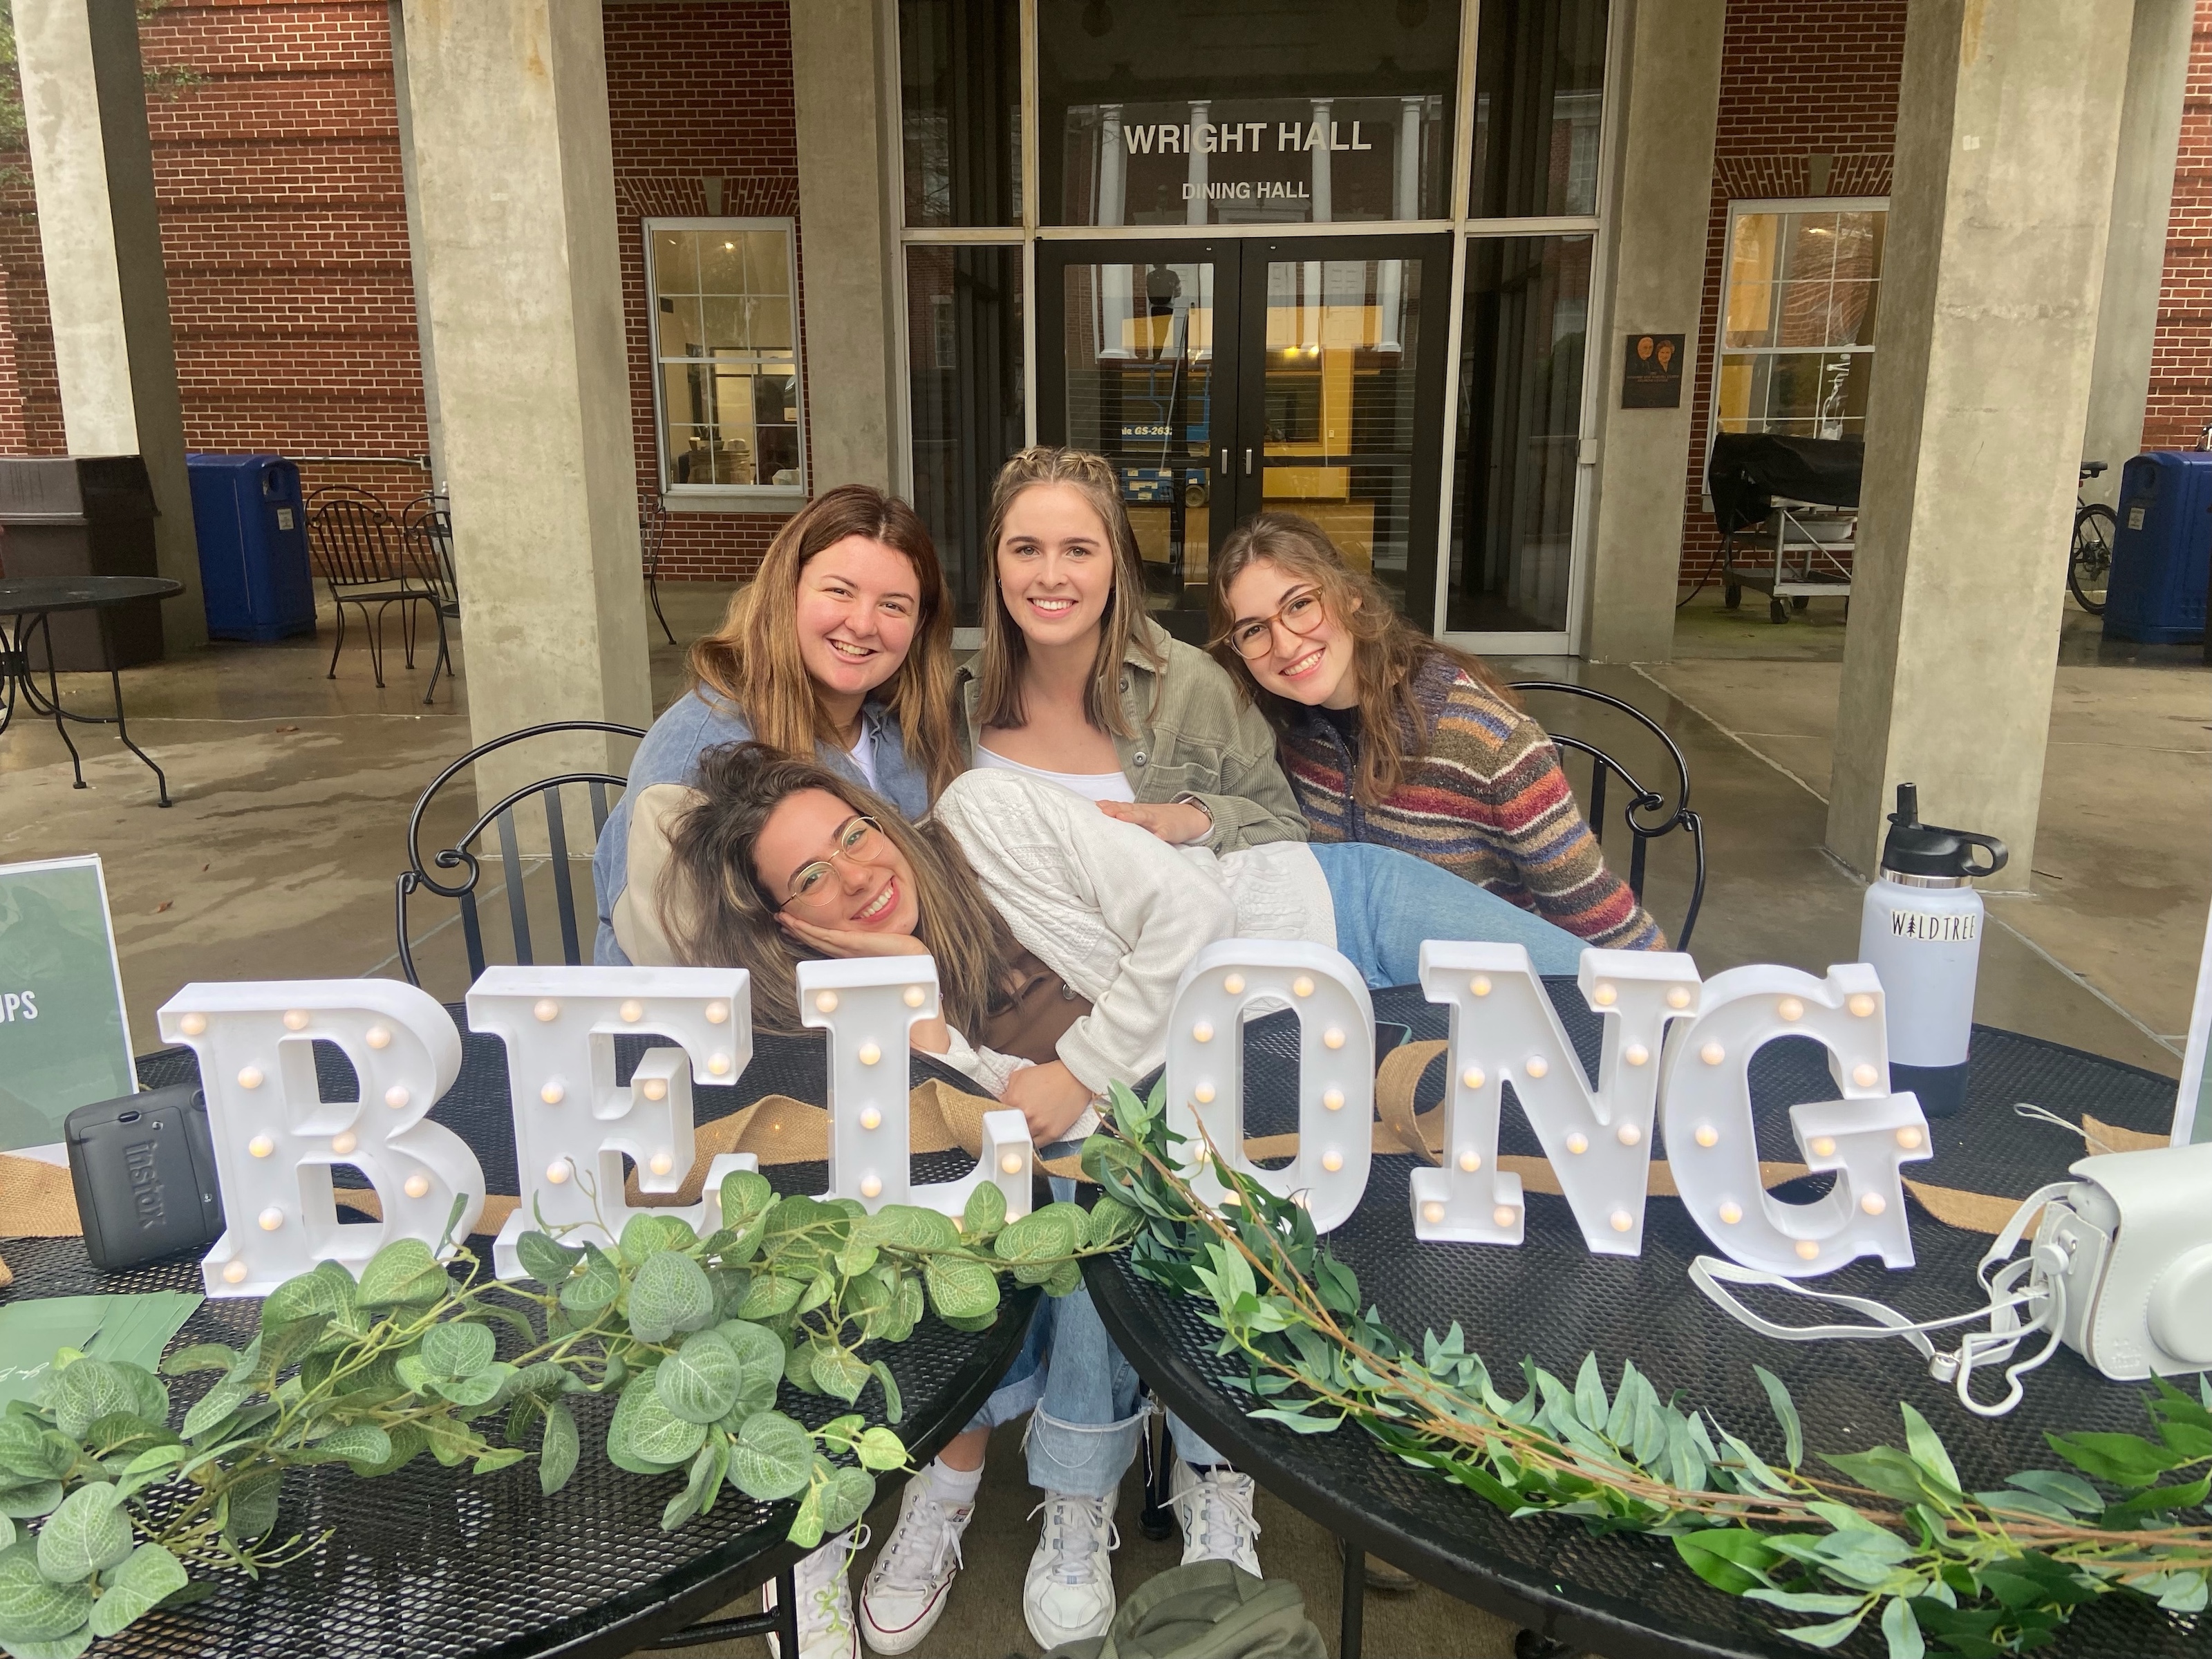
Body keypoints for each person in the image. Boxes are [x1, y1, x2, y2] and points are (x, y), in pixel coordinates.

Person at [615, 744, 1587, 1657]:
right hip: (1271, 1061)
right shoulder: (866, 1005)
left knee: (1610, 1012)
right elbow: (1025, 1128)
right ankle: (1128, 1481)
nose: (856, 875)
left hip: (1337, 916)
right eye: (811, 879)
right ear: (789, 923)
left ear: (880, 819)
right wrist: (913, 1000)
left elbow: (1190, 923)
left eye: (851, 836)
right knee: (1121, 1198)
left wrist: (1077, 1064)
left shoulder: (982, 814)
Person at [1210, 513, 1665, 952]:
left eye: (1300, 604)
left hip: (1472, 1006)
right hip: (1341, 1001)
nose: (1286, 643)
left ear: (1350, 595)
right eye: (1253, 630)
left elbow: (1611, 930)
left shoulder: (1489, 742)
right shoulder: (1275, 734)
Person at [590, 485, 963, 967]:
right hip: (778, 1035)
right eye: (839, 591)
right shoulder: (696, 760)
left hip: (921, 1014)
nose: (864, 624)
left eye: (893, 605)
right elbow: (685, 975)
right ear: (787, 590)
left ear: (920, 624)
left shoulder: (905, 730)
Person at [965, 446, 1306, 852]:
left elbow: (1285, 828)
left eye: (1078, 551)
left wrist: (1198, 820)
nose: (1051, 576)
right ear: (997, 566)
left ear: (1116, 568)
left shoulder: (1197, 687)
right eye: (1026, 550)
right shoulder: (957, 696)